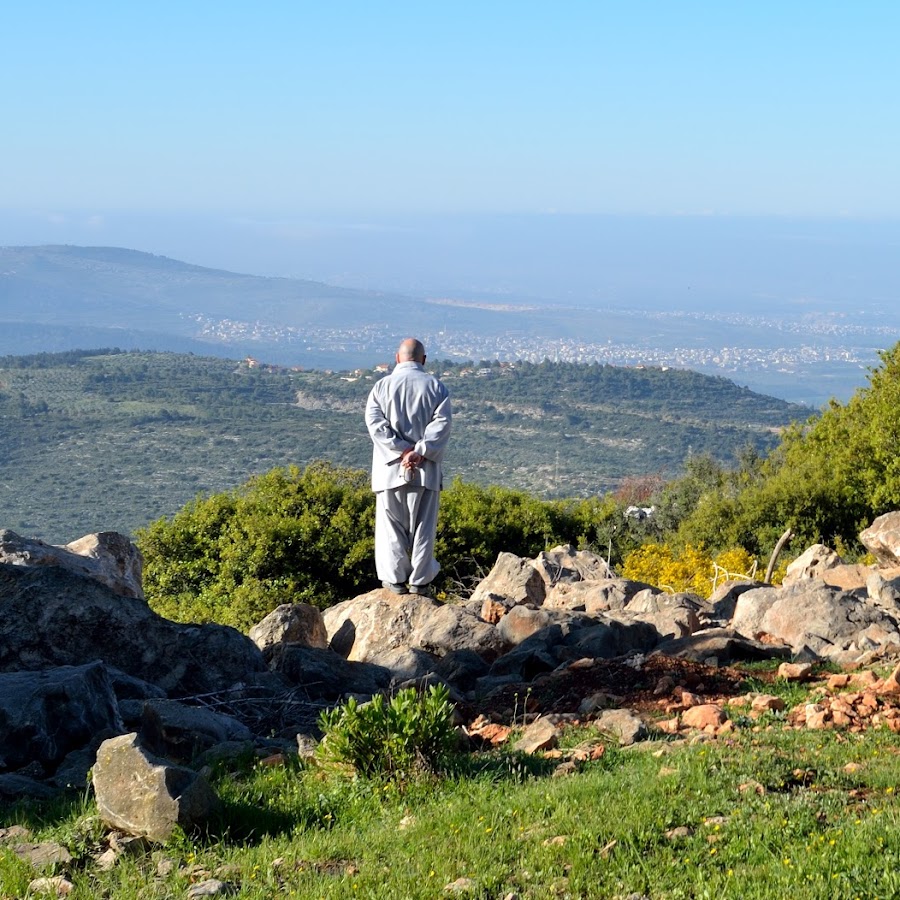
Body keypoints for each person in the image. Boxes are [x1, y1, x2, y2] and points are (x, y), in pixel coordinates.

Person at [365, 337, 452, 595]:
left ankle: (394, 580)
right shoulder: (437, 388)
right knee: (424, 527)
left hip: (389, 470)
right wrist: (420, 451)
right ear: (423, 360)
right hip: (426, 471)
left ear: (397, 357)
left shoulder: (381, 387)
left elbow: (376, 425)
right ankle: (420, 581)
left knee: (391, 526)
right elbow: (442, 425)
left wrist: (401, 449)